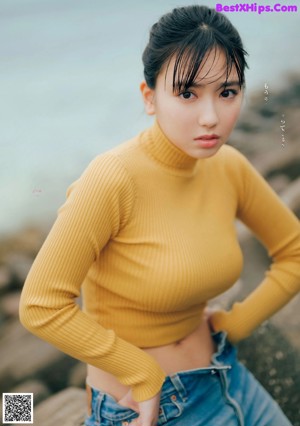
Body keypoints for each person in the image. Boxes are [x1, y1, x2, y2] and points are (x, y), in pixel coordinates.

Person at [19, 5, 300, 426]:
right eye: (187, 93)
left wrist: (238, 323)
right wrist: (141, 372)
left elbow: (293, 250)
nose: (211, 118)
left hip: (232, 381)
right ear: (149, 97)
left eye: (227, 92)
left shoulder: (229, 166)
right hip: (149, 410)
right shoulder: (112, 178)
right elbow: (40, 305)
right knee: (13, 413)